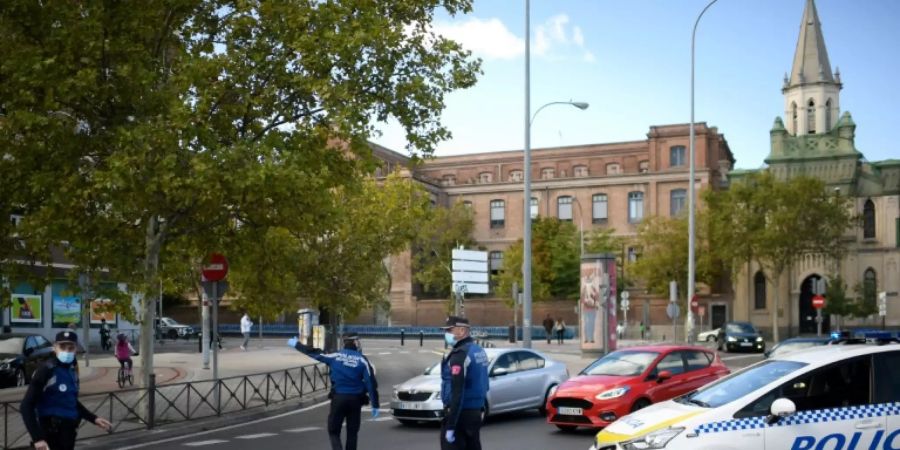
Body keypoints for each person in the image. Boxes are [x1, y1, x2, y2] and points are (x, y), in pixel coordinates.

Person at [20, 331, 112, 450]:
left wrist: (93, 418)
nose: (67, 351)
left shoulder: (71, 371)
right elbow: (26, 405)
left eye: (71, 348)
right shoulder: (46, 370)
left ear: (75, 349)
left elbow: (71, 401)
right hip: (50, 434)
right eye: (62, 347)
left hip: (68, 433)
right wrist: (38, 438)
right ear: (55, 348)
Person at [288, 332, 378, 450]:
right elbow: (371, 383)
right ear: (355, 342)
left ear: (344, 343)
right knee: (352, 433)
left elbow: (315, 352)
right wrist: (375, 404)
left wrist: (297, 345)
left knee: (334, 431)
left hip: (339, 399)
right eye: (358, 341)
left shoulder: (335, 356)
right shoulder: (362, 360)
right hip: (356, 400)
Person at [440, 316, 489, 450]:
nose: (446, 334)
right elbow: (485, 383)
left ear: (461, 331)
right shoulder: (478, 350)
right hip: (475, 412)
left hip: (460, 415)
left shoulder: (460, 355)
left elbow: (457, 391)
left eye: (450, 330)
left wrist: (451, 425)